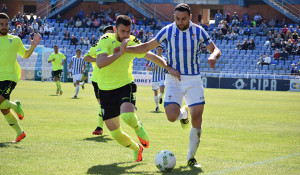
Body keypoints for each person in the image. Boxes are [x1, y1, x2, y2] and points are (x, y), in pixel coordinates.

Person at [126, 4, 221, 167]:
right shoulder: (167, 31)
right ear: (174, 17)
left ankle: (191, 158)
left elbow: (215, 49)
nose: (180, 22)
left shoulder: (198, 31)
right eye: (177, 18)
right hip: (173, 79)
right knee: (171, 117)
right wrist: (125, 49)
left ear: (190, 17)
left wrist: (213, 56)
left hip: (193, 80)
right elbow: (147, 47)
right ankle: (183, 115)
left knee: (197, 118)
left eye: (184, 19)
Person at [95, 15, 180, 162]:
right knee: (115, 133)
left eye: (128, 31)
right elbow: (101, 63)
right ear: (115, 29)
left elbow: (151, 56)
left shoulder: (133, 41)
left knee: (127, 116)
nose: (126, 35)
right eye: (122, 31)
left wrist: (168, 67)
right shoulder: (105, 39)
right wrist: (120, 53)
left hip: (125, 85)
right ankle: (136, 149)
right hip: (105, 90)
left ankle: (139, 128)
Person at [0, 13, 41, 142]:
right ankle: (20, 132)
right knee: (3, 109)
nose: (4, 27)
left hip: (10, 77)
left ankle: (15, 106)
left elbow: (25, 55)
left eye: (6, 24)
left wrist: (33, 45)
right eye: (1, 24)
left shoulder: (15, 40)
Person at [83, 25, 114, 135]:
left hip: (112, 78)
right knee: (102, 104)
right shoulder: (97, 45)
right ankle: (100, 127)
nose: (110, 36)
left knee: (107, 104)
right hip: (97, 79)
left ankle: (100, 127)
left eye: (112, 33)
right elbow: (86, 57)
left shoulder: (117, 45)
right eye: (108, 34)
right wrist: (99, 60)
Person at [146, 45, 166, 112]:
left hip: (162, 77)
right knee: (155, 93)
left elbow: (167, 67)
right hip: (155, 78)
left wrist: (166, 70)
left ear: (162, 51)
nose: (159, 50)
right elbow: (148, 68)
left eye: (160, 49)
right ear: (156, 50)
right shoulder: (153, 59)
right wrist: (154, 68)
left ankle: (160, 97)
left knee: (162, 90)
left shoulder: (165, 59)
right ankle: (157, 106)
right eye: (158, 49)